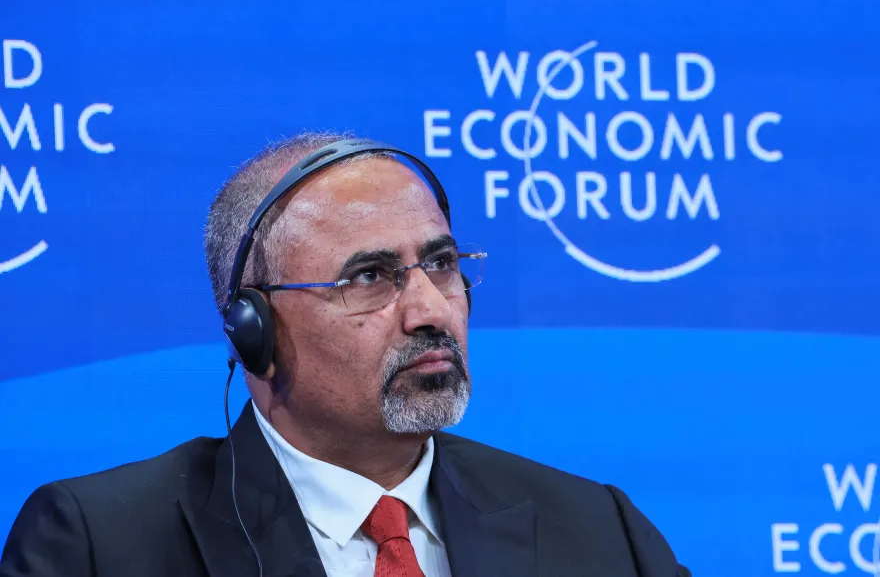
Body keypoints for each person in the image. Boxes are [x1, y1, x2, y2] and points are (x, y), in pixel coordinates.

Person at [0, 132, 690, 577]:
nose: (430, 310)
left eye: (442, 264)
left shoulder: (602, 534)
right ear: (252, 329)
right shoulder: (99, 545)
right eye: (369, 277)